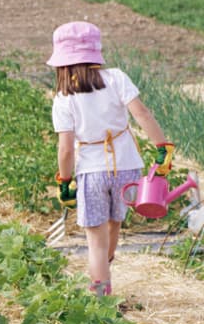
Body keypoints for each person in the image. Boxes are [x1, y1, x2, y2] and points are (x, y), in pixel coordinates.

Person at [48, 21, 173, 297]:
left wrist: (65, 181)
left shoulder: (63, 98)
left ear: (62, 64)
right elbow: (143, 114)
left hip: (91, 171)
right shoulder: (116, 78)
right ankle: (106, 271)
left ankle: (100, 292)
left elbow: (66, 149)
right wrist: (162, 147)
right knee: (115, 222)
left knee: (95, 240)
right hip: (126, 165)